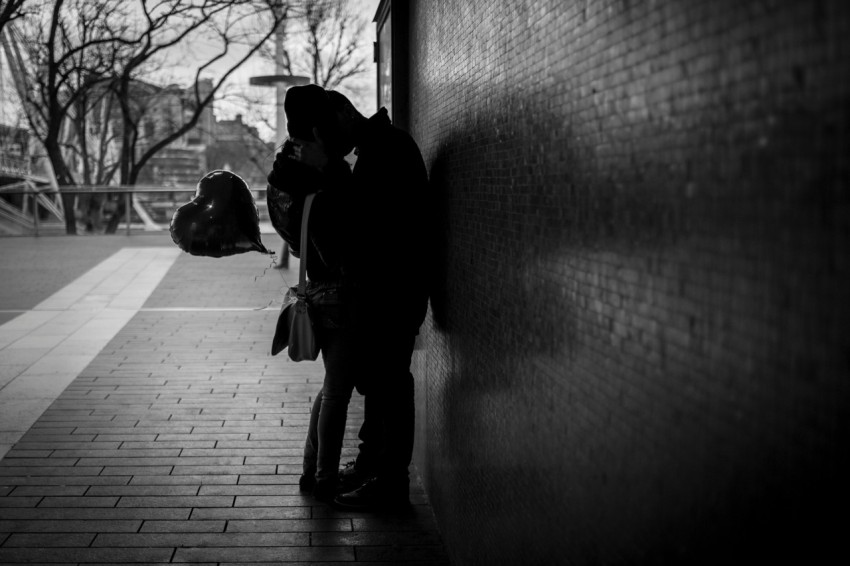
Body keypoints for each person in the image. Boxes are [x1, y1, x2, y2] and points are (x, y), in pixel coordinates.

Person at [287, 91, 429, 509]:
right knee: (381, 384)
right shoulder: (376, 148)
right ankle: (374, 466)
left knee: (391, 385)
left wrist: (329, 169)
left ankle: (391, 484)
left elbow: (366, 222)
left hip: (394, 291)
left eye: (328, 133)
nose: (331, 144)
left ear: (346, 112)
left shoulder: (388, 149)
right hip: (386, 289)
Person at [266, 84, 359, 502]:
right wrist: (335, 172)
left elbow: (297, 236)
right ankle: (324, 478)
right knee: (338, 390)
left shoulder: (281, 174)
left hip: (314, 291)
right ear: (319, 130)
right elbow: (339, 238)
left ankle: (311, 468)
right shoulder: (321, 180)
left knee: (331, 386)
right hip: (339, 291)